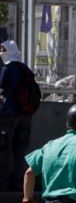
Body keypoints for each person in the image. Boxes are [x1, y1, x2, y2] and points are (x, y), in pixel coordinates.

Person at [0, 40, 38, 191]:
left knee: (4, 149)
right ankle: (18, 183)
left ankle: (2, 183)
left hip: (9, 115)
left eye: (3, 50)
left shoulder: (8, 68)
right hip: (26, 115)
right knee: (20, 150)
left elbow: (2, 88)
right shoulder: (25, 69)